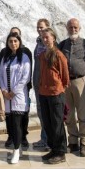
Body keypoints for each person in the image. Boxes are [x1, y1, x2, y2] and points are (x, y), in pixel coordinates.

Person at [58, 18, 85, 157]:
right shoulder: (62, 44)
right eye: (70, 27)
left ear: (79, 28)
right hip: (66, 83)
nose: (73, 30)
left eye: (75, 27)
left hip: (80, 81)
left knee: (82, 114)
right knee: (68, 114)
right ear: (67, 28)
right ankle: (73, 141)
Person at [0, 33, 31, 164]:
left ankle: (16, 150)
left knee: (17, 124)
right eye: (10, 41)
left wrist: (14, 91)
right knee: (10, 123)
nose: (13, 43)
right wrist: (4, 90)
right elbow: (0, 74)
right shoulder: (5, 57)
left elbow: (26, 77)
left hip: (18, 95)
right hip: (7, 96)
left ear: (19, 42)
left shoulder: (24, 57)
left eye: (15, 41)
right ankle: (18, 146)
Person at [38, 28, 70, 165]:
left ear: (53, 38)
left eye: (47, 37)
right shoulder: (42, 55)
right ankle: (53, 149)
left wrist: (58, 88)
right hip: (43, 93)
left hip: (56, 94)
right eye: (43, 38)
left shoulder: (59, 55)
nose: (45, 40)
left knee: (57, 123)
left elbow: (65, 77)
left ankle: (61, 152)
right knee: (48, 123)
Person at [32, 18, 51, 151]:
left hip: (48, 84)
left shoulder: (51, 44)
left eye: (42, 27)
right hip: (38, 82)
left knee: (49, 112)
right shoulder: (38, 43)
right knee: (41, 112)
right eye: (38, 27)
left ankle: (51, 140)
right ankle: (44, 138)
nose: (39, 29)